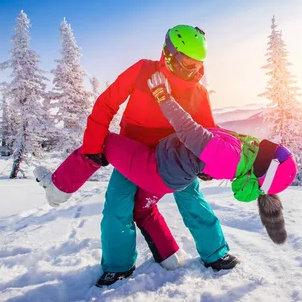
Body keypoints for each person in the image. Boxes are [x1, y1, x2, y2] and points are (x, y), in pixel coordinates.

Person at [35, 71, 297, 251]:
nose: (273, 147)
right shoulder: (247, 154)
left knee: (102, 142)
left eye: (276, 153)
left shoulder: (232, 159)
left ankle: (57, 189)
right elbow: (214, 135)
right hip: (166, 166)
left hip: (156, 168)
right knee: (143, 211)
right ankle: (169, 256)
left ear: (267, 166)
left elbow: (189, 130)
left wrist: (162, 95)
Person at [71, 25, 235, 287]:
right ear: (169, 54)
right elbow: (107, 103)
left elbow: (206, 131)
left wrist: (207, 163)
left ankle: (216, 253)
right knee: (117, 204)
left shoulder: (198, 92)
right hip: (133, 151)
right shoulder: (142, 71)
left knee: (192, 199)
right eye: (187, 61)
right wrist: (93, 144)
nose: (193, 69)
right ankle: (118, 266)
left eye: (198, 63)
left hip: (175, 157)